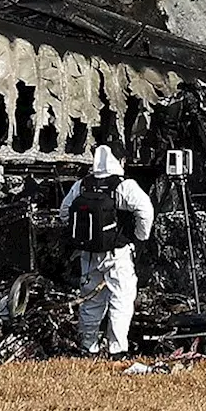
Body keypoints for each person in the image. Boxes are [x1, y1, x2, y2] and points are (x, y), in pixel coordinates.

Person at [60, 145, 155, 356]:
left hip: (89, 254)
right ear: (119, 161)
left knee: (90, 300)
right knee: (121, 299)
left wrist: (81, 234)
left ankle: (88, 346)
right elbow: (145, 210)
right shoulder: (123, 186)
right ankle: (117, 349)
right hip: (117, 254)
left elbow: (64, 212)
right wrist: (140, 237)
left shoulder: (82, 185)